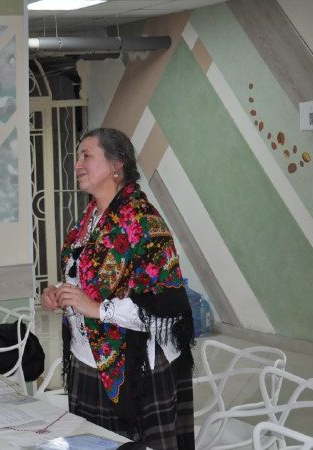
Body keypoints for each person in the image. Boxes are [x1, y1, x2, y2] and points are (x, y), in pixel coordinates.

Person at [41, 128, 195, 449]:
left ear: (116, 165)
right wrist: (60, 292)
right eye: (78, 156)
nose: (77, 164)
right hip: (87, 361)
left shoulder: (143, 222)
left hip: (135, 368)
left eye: (86, 156)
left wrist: (96, 309)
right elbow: (83, 278)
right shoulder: (88, 221)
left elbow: (164, 306)